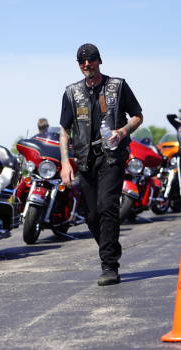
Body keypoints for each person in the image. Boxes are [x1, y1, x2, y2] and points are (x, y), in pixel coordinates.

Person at [59, 43, 143, 286]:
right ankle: (111, 247)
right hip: (85, 159)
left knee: (107, 206)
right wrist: (66, 163)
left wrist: (123, 131)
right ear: (78, 65)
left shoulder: (117, 86)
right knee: (91, 215)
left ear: (99, 61)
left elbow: (138, 115)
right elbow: (65, 130)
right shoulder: (71, 92)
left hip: (111, 156)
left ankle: (109, 265)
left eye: (92, 60)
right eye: (82, 61)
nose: (87, 64)